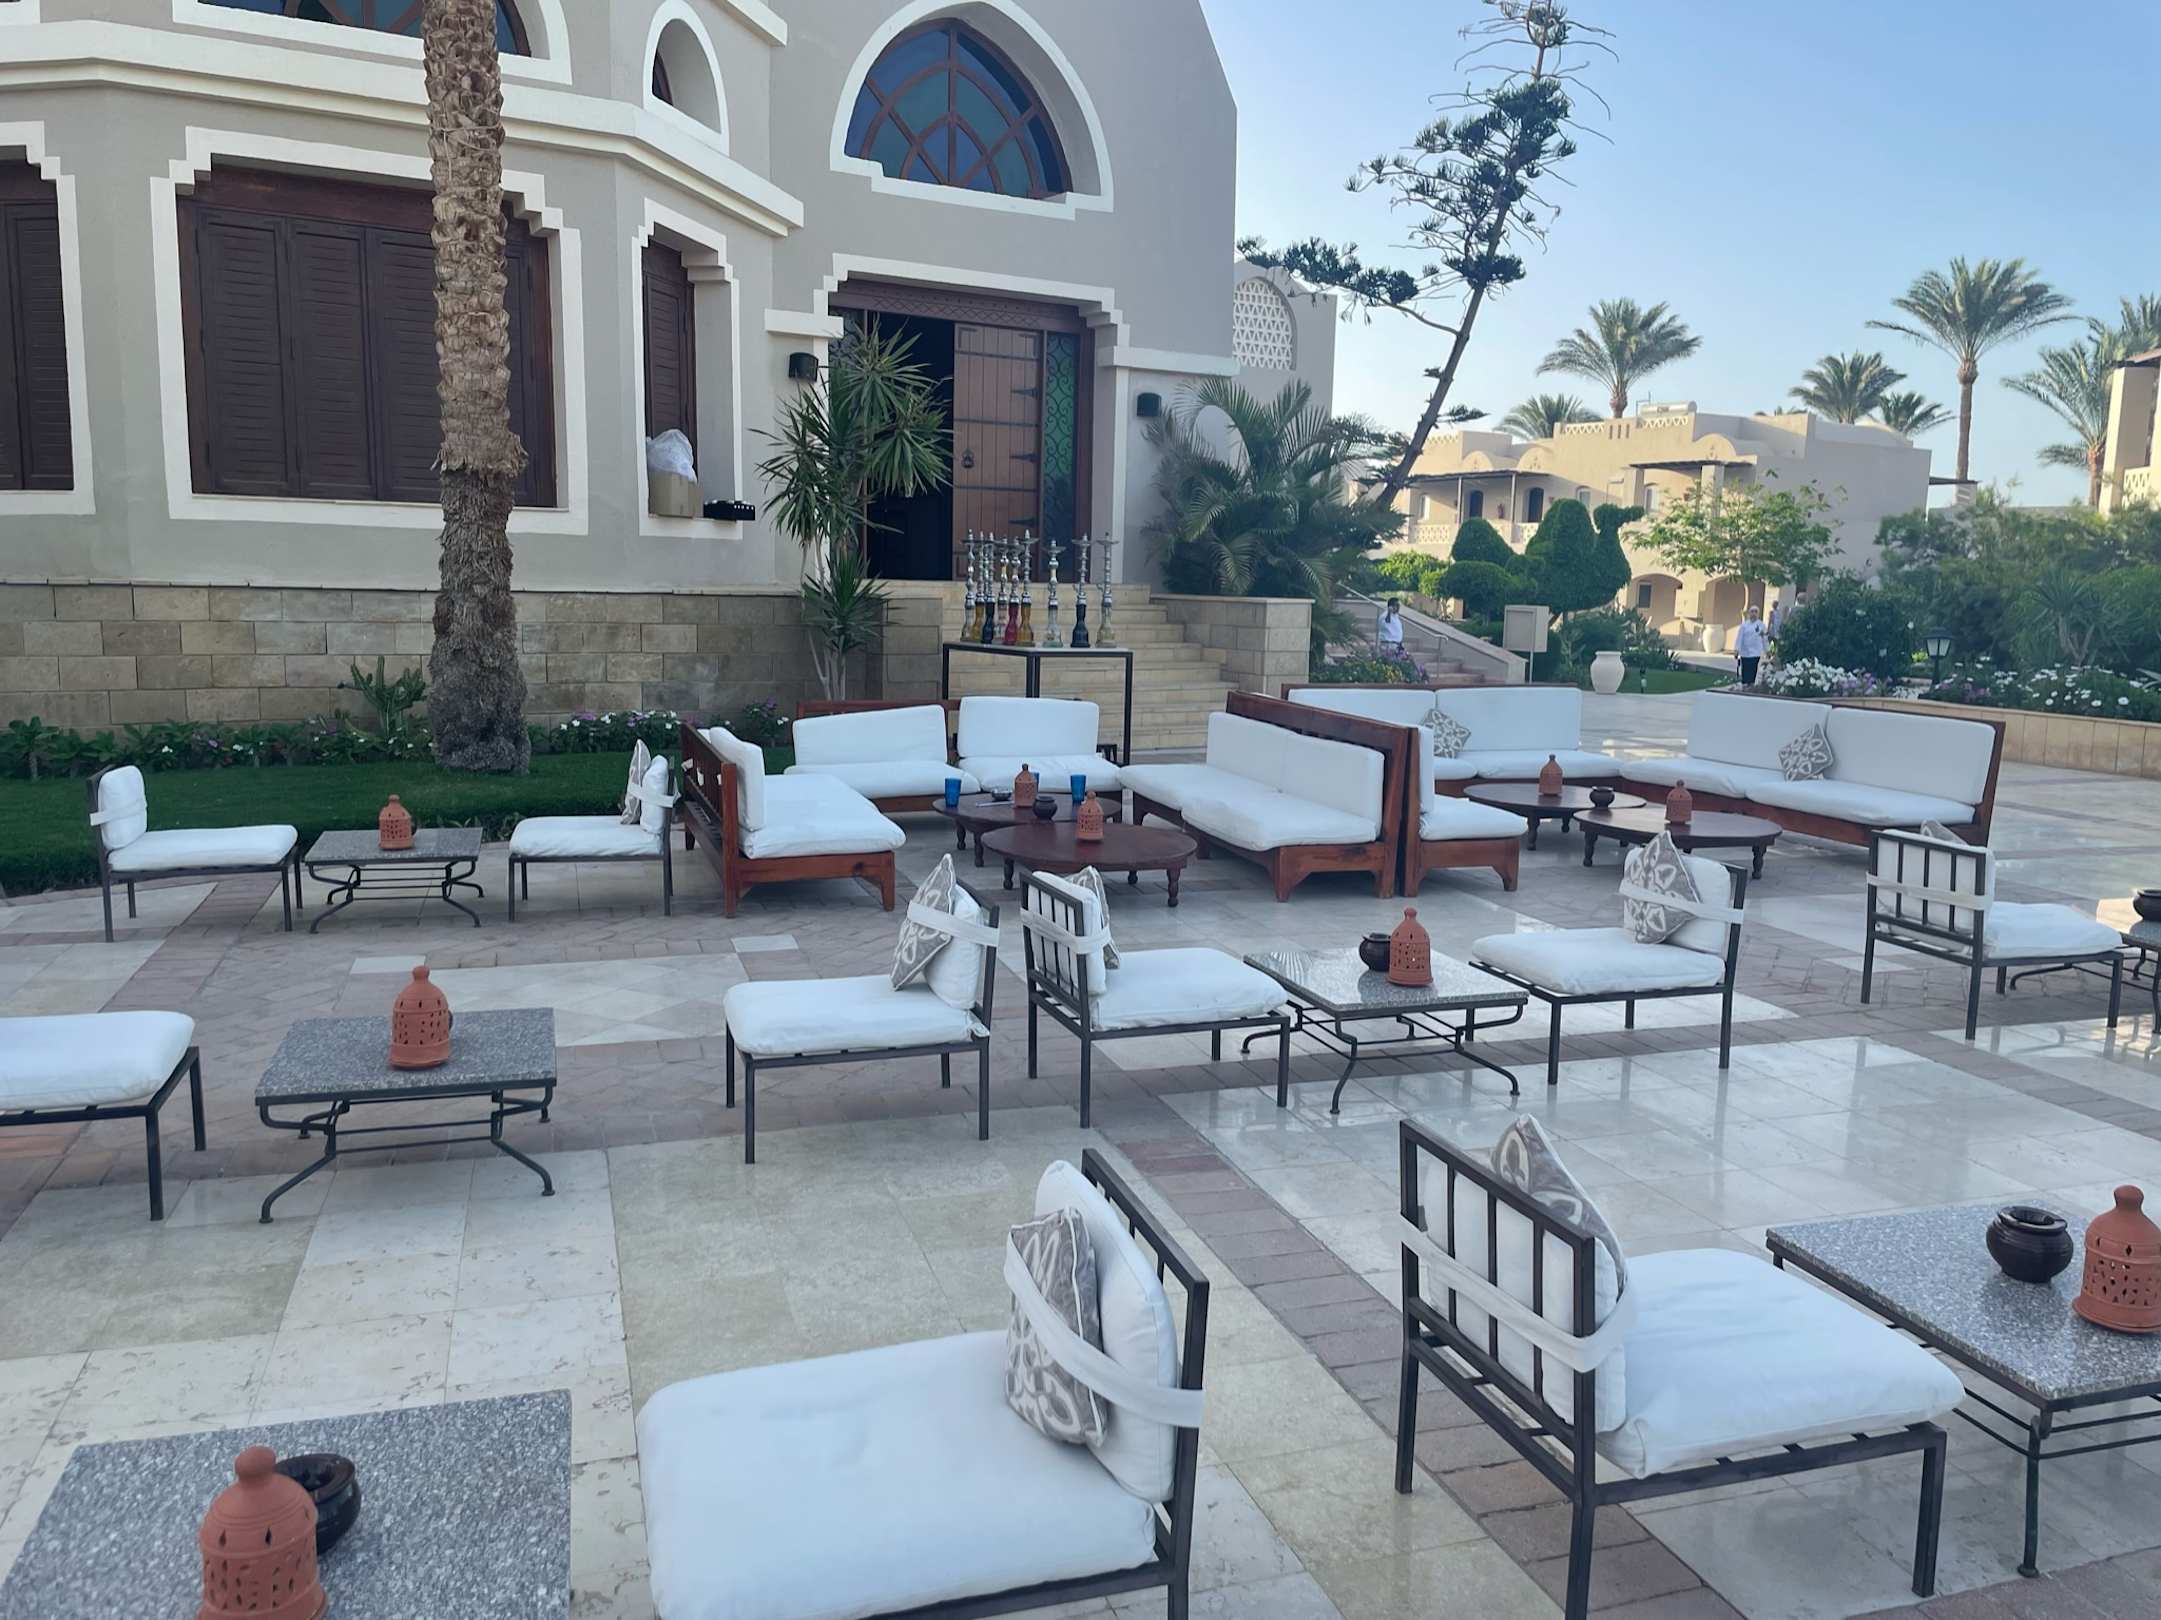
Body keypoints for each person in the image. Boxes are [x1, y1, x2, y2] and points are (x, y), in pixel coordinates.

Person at [1734, 603, 1769, 687]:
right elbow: (1739, 638)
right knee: (1745, 670)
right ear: (1749, 613)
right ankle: (1745, 684)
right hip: (1745, 652)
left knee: (1753, 670)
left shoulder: (1761, 625)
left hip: (1756, 652)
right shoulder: (1744, 625)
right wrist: (1736, 650)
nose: (1753, 613)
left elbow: (1764, 639)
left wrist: (1767, 650)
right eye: (1752, 611)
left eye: (1755, 612)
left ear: (1758, 614)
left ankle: (1751, 685)